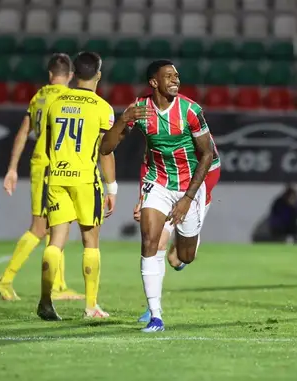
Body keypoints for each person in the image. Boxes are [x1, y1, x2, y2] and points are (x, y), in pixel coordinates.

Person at [100, 60, 214, 332]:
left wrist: (187, 199)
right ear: (153, 82)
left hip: (189, 186)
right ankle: (156, 315)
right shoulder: (140, 110)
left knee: (184, 257)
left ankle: (189, 243)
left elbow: (208, 154)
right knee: (150, 240)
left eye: (177, 75)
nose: (176, 80)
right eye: (169, 76)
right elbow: (105, 148)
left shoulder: (190, 111)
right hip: (158, 182)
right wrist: (123, 120)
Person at [37, 51, 117, 321]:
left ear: (75, 74)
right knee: (90, 242)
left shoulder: (55, 103)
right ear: (98, 75)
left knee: (55, 241)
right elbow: (105, 151)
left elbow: (47, 143)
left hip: (57, 176)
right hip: (85, 179)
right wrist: (112, 188)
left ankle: (46, 301)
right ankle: (91, 306)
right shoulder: (102, 107)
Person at [0, 54, 83, 301]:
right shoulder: (68, 98)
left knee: (59, 223)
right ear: (71, 76)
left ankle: (58, 286)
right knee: (40, 227)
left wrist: (12, 168)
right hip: (51, 167)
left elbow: (23, 133)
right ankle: (6, 279)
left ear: (49, 74)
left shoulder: (39, 97)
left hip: (43, 165)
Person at [133, 133, 221, 323]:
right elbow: (147, 163)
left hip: (193, 192)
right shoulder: (155, 127)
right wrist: (143, 197)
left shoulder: (194, 127)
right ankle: (154, 309)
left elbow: (213, 169)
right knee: (156, 244)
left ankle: (188, 240)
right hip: (163, 189)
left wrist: (192, 199)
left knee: (177, 259)